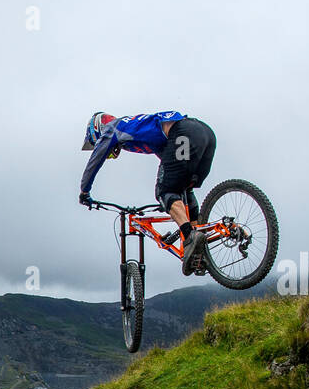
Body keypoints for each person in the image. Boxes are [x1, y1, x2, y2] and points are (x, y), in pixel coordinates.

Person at [79, 111, 217, 275]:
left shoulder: (112, 128)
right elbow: (171, 162)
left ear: (98, 130)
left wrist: (84, 191)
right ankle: (198, 243)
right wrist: (172, 203)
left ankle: (190, 236)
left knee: (164, 191)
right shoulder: (137, 128)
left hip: (183, 132)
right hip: (204, 134)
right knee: (183, 187)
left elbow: (95, 161)